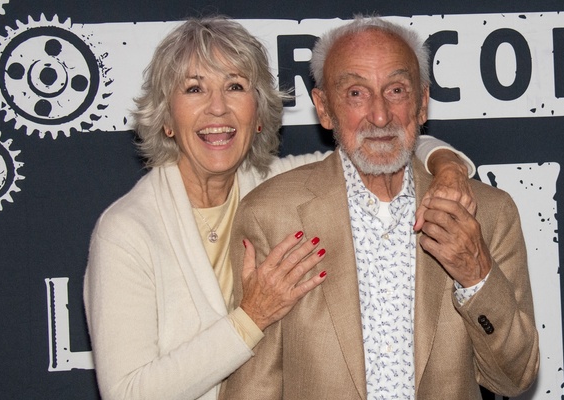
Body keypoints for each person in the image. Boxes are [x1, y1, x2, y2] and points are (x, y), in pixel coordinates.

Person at [83, 16, 477, 400]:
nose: (218, 108)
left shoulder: (285, 187)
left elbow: (381, 140)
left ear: (258, 112)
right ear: (167, 118)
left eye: (235, 86)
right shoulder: (126, 231)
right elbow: (126, 392)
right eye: (194, 89)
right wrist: (251, 317)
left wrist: (448, 166)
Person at [222, 16, 539, 400]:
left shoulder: (487, 214)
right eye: (356, 93)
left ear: (422, 103)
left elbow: (515, 377)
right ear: (323, 107)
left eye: (396, 90)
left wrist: (476, 277)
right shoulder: (271, 216)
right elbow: (253, 388)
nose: (380, 115)